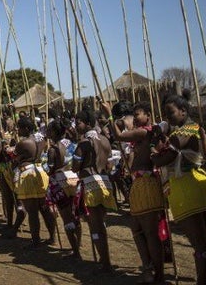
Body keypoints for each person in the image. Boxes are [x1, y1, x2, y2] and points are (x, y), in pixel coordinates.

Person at [151, 94, 206, 285]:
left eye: (170, 113)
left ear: (183, 111)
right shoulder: (197, 129)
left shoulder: (184, 133)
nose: (168, 117)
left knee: (200, 244)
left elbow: (164, 158)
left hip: (188, 189)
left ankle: (203, 281)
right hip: (200, 185)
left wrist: (153, 154)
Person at [109, 100, 167, 284]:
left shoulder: (145, 131)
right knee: (137, 229)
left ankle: (158, 274)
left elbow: (118, 135)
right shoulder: (144, 132)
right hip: (140, 183)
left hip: (146, 184)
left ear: (148, 115)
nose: (135, 117)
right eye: (134, 114)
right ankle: (149, 267)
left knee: (150, 233)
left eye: (138, 114)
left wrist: (109, 114)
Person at [73, 108, 117, 273]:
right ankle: (103, 259)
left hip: (91, 184)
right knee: (100, 224)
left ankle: (105, 264)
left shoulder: (83, 143)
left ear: (88, 124)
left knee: (95, 226)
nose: (76, 126)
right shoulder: (105, 140)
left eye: (79, 122)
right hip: (105, 184)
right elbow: (110, 165)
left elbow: (75, 166)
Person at [10, 116, 56, 248]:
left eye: (19, 128)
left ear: (25, 128)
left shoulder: (23, 143)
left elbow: (15, 159)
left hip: (28, 175)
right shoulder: (42, 141)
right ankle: (52, 237)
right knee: (44, 208)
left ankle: (35, 242)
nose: (17, 130)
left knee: (32, 211)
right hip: (41, 172)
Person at [45, 118, 81, 259]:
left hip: (60, 183)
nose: (47, 132)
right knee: (75, 214)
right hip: (75, 180)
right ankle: (78, 244)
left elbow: (50, 169)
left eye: (49, 129)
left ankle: (75, 251)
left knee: (67, 218)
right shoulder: (72, 144)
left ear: (54, 132)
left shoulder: (53, 149)